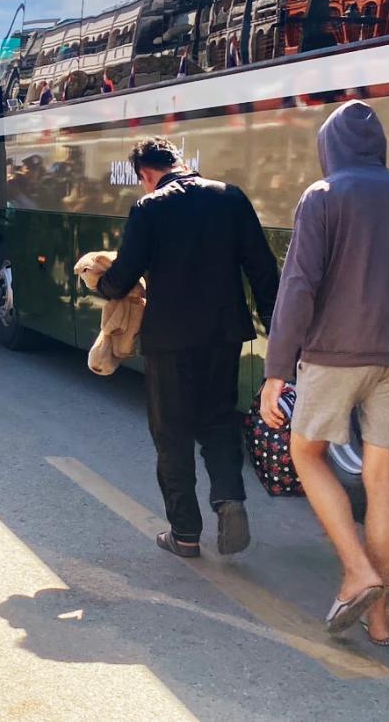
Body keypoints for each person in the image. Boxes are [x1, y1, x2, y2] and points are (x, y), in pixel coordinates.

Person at [259, 100, 389, 646]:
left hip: (335, 355)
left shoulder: (322, 197)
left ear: (330, 148)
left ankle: (356, 569)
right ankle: (380, 619)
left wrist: (277, 369)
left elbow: (299, 287)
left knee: (306, 453)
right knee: (383, 481)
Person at [98, 137, 279, 558]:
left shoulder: (150, 207)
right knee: (218, 419)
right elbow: (262, 269)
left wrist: (102, 286)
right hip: (224, 332)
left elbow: (125, 273)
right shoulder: (230, 197)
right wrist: (277, 330)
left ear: (145, 174)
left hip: (170, 338)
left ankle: (184, 533)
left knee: (171, 431)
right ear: (178, 162)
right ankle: (229, 498)